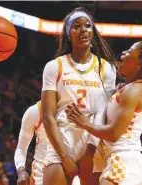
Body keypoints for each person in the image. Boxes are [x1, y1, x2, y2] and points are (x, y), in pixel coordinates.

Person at [66, 31, 142, 185]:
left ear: (139, 63)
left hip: (123, 158)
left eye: (129, 51)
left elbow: (114, 133)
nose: (123, 53)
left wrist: (84, 123)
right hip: (109, 156)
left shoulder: (136, 90)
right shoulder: (123, 87)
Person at [41, 7, 116, 185]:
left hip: (93, 139)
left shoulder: (107, 69)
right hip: (62, 137)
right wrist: (65, 157)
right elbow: (47, 117)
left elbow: (104, 113)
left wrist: (90, 151)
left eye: (87, 26)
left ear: (92, 31)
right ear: (68, 34)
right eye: (76, 26)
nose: (83, 30)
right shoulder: (54, 66)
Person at [14, 101, 48, 185]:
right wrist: (21, 170)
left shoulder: (75, 106)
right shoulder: (35, 111)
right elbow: (21, 148)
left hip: (70, 171)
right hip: (41, 175)